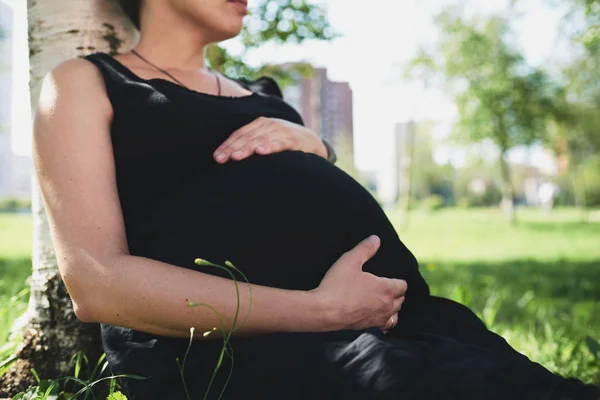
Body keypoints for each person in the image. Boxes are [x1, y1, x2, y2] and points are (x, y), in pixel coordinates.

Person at [32, 0, 599, 399]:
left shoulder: (266, 96)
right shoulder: (88, 82)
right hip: (234, 350)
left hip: (396, 320)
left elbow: (296, 200)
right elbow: (97, 283)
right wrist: (323, 311)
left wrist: (316, 147)